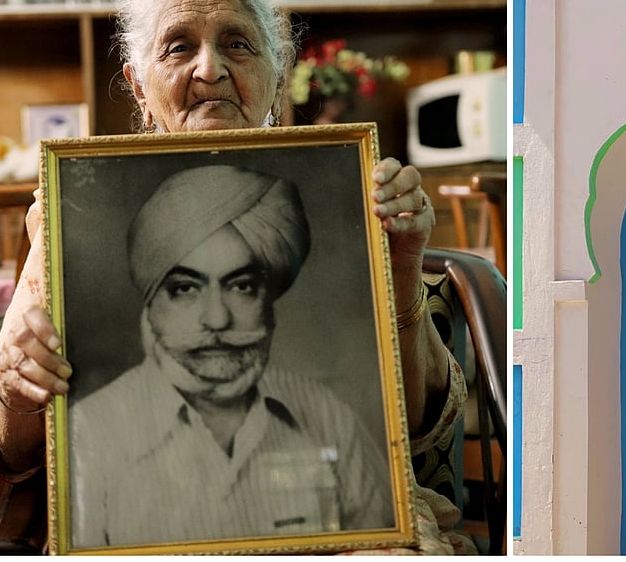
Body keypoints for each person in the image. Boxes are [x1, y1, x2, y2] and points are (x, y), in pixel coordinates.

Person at [0, 0, 472, 555]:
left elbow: (420, 435)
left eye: (237, 43)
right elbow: (4, 447)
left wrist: (405, 261)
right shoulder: (74, 208)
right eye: (179, 46)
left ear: (275, 72)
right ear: (138, 86)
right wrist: (18, 386)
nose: (210, 70)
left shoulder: (352, 191)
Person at [68, 165, 393, 547]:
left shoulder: (325, 414)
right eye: (186, 289)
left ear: (268, 300)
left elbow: (385, 548)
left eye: (241, 286)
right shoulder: (90, 432)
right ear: (150, 303)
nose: (218, 319)